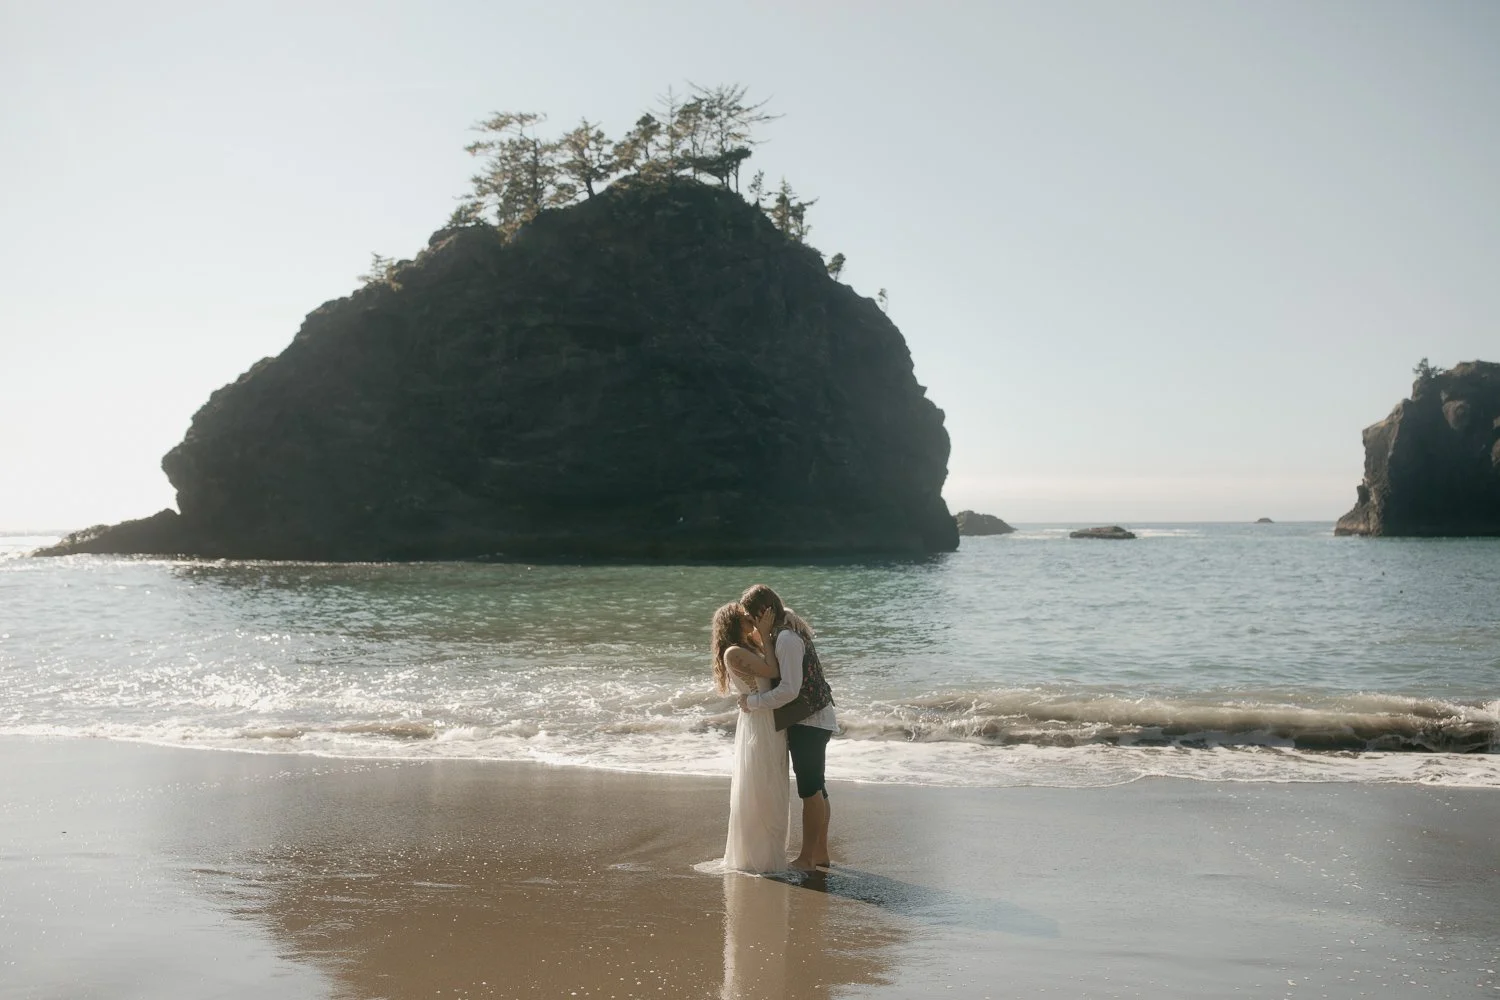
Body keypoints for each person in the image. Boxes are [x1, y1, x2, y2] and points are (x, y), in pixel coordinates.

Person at [737, 584, 836, 871]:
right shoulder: (782, 633)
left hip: (810, 721)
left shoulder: (787, 639)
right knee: (817, 788)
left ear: (762, 612)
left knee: (810, 790)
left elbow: (791, 690)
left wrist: (754, 701)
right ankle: (820, 854)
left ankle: (806, 858)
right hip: (813, 719)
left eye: (749, 614)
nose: (748, 620)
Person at [710, 602, 790, 873]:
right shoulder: (734, 652)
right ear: (733, 622)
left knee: (773, 781)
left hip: (765, 714)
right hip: (759, 721)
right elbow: (773, 671)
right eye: (744, 616)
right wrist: (764, 634)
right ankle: (759, 856)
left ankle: (770, 851)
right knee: (761, 783)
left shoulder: (748, 645)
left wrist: (763, 631)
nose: (750, 618)